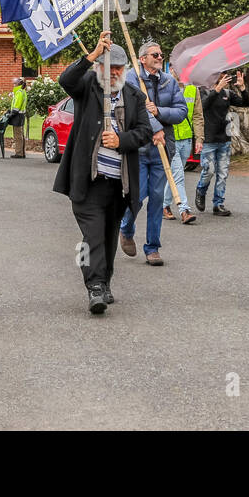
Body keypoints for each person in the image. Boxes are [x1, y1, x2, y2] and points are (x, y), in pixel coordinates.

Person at [54, 32, 153, 314]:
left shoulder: (134, 96)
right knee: (93, 236)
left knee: (109, 236)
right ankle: (94, 287)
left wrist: (121, 140)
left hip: (119, 185)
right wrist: (92, 54)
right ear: (100, 69)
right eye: (108, 68)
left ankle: (106, 282)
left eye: (118, 69)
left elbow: (144, 133)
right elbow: (66, 81)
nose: (113, 73)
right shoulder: (88, 87)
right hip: (88, 181)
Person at [119, 40, 187, 265]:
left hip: (162, 150)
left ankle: (152, 248)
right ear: (142, 59)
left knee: (157, 198)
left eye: (161, 54)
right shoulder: (131, 78)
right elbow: (137, 108)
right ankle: (126, 229)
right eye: (155, 54)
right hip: (139, 148)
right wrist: (155, 128)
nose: (160, 57)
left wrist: (159, 112)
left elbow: (181, 112)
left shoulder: (169, 81)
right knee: (137, 197)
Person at [197, 69, 249, 215]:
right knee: (209, 170)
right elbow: (203, 107)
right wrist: (217, 88)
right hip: (208, 139)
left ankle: (218, 204)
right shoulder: (202, 91)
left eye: (224, 74)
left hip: (224, 139)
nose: (223, 77)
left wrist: (242, 88)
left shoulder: (227, 93)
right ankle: (201, 190)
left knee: (223, 173)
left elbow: (246, 103)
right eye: (220, 74)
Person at [164, 80, 203, 220]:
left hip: (186, 140)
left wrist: (199, 138)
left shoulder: (193, 88)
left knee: (174, 175)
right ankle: (184, 210)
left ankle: (164, 205)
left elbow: (197, 115)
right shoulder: (165, 84)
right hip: (170, 139)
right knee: (179, 174)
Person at [8, 77, 29, 158]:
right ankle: (22, 152)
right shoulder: (22, 91)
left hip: (17, 116)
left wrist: (12, 113)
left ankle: (19, 153)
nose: (13, 85)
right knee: (21, 134)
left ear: (18, 84)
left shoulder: (19, 92)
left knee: (17, 135)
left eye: (14, 83)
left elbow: (17, 105)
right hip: (21, 115)